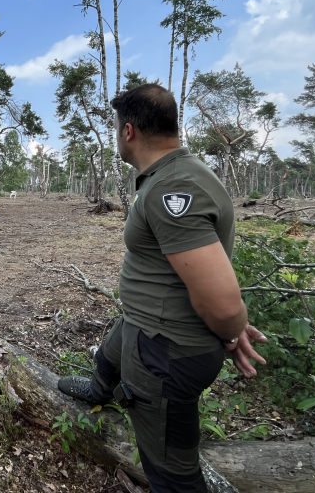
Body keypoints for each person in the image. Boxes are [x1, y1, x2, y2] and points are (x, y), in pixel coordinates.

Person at [57, 84, 267, 493]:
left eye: (116, 127)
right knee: (109, 355)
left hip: (164, 352)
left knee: (171, 474)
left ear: (128, 131)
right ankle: (101, 390)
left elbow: (223, 305)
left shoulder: (175, 189)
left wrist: (230, 329)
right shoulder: (172, 173)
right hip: (142, 326)